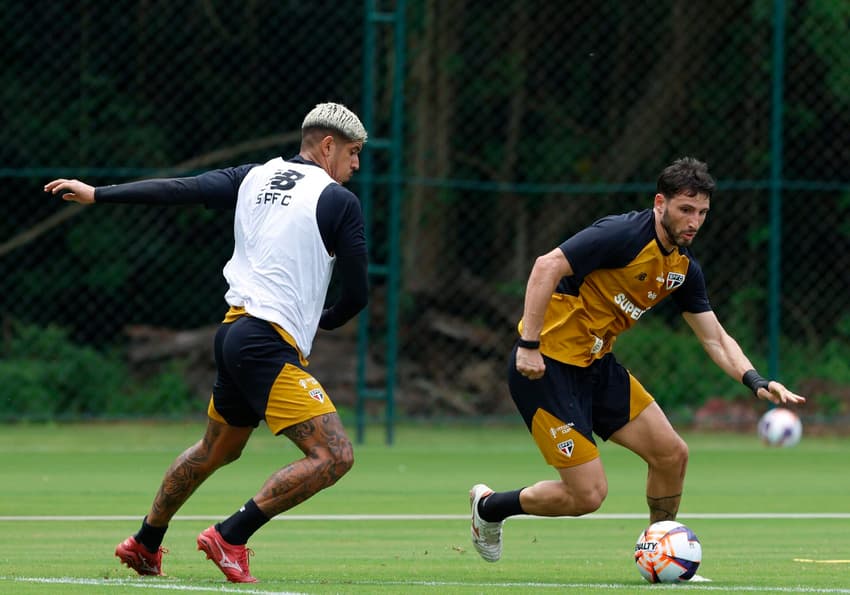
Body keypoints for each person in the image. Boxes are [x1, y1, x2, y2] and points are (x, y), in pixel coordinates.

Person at [45, 102, 369, 583]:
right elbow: (358, 292)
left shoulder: (254, 176)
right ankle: (230, 535)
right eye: (354, 153)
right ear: (328, 146)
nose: (356, 165)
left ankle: (145, 542)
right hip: (265, 344)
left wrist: (99, 194)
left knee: (215, 449)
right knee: (334, 455)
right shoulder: (339, 200)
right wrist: (326, 319)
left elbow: (181, 189)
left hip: (232, 333)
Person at [469, 157, 806, 566]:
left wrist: (755, 379)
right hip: (547, 368)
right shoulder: (624, 234)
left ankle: (659, 552)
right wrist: (528, 343)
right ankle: (489, 508)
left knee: (672, 454)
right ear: (660, 203)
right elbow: (548, 264)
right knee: (587, 495)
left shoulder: (682, 268)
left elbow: (715, 337)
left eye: (702, 213)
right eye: (686, 210)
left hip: (596, 367)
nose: (694, 222)